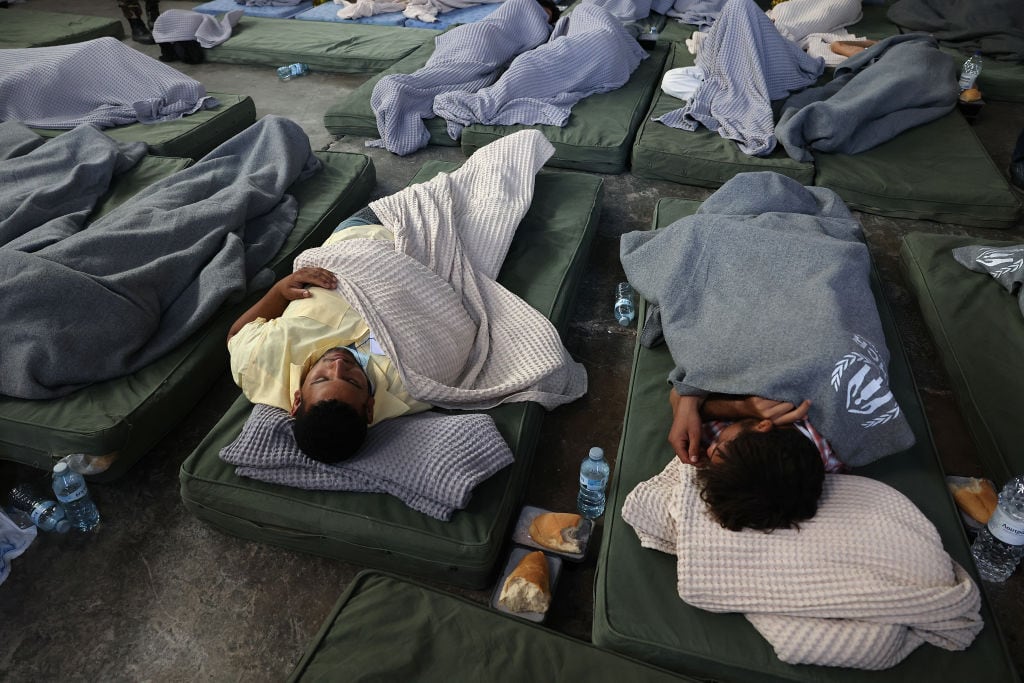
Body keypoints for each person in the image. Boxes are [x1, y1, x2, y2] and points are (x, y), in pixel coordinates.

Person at [227, 210, 431, 464]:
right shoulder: (410, 386)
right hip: (420, 252)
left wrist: (279, 291)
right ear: (369, 408)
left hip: (355, 233)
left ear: (297, 400)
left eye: (321, 378)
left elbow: (235, 335)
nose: (338, 363)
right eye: (352, 381)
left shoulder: (261, 362)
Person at [667, 390, 839, 532]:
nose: (711, 449)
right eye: (721, 445)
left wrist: (741, 409)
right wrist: (738, 408)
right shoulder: (843, 436)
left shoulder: (724, 455)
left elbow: (680, 391)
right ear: (762, 426)